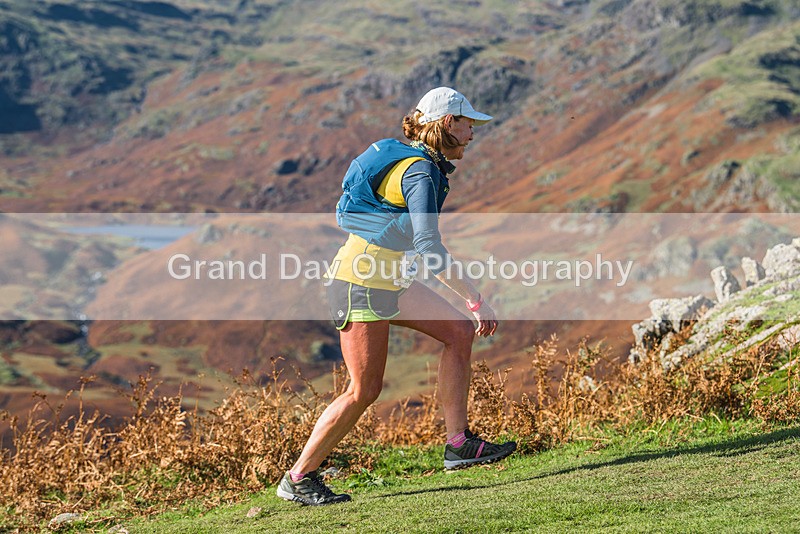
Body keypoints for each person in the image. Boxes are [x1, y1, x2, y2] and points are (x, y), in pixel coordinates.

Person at [277, 87, 516, 506]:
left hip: (388, 280)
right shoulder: (420, 172)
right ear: (448, 123)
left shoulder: (418, 163)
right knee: (363, 390)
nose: (472, 133)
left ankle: (459, 444)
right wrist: (475, 299)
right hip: (361, 283)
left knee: (458, 332)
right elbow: (429, 246)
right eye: (468, 124)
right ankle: (298, 477)